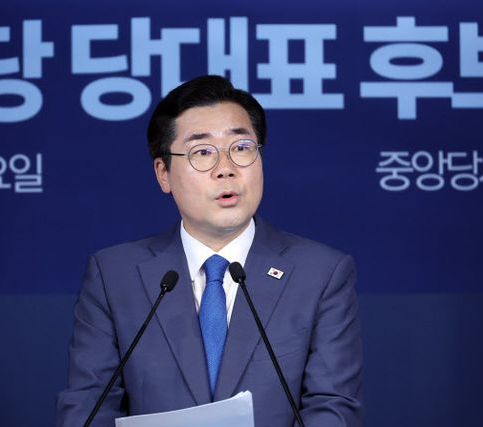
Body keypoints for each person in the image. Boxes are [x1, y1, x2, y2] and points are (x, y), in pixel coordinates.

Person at [56, 75, 363, 427]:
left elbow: (333, 410)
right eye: (202, 152)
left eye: (241, 147)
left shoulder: (321, 274)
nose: (226, 169)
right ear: (163, 173)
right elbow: (87, 409)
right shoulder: (114, 276)